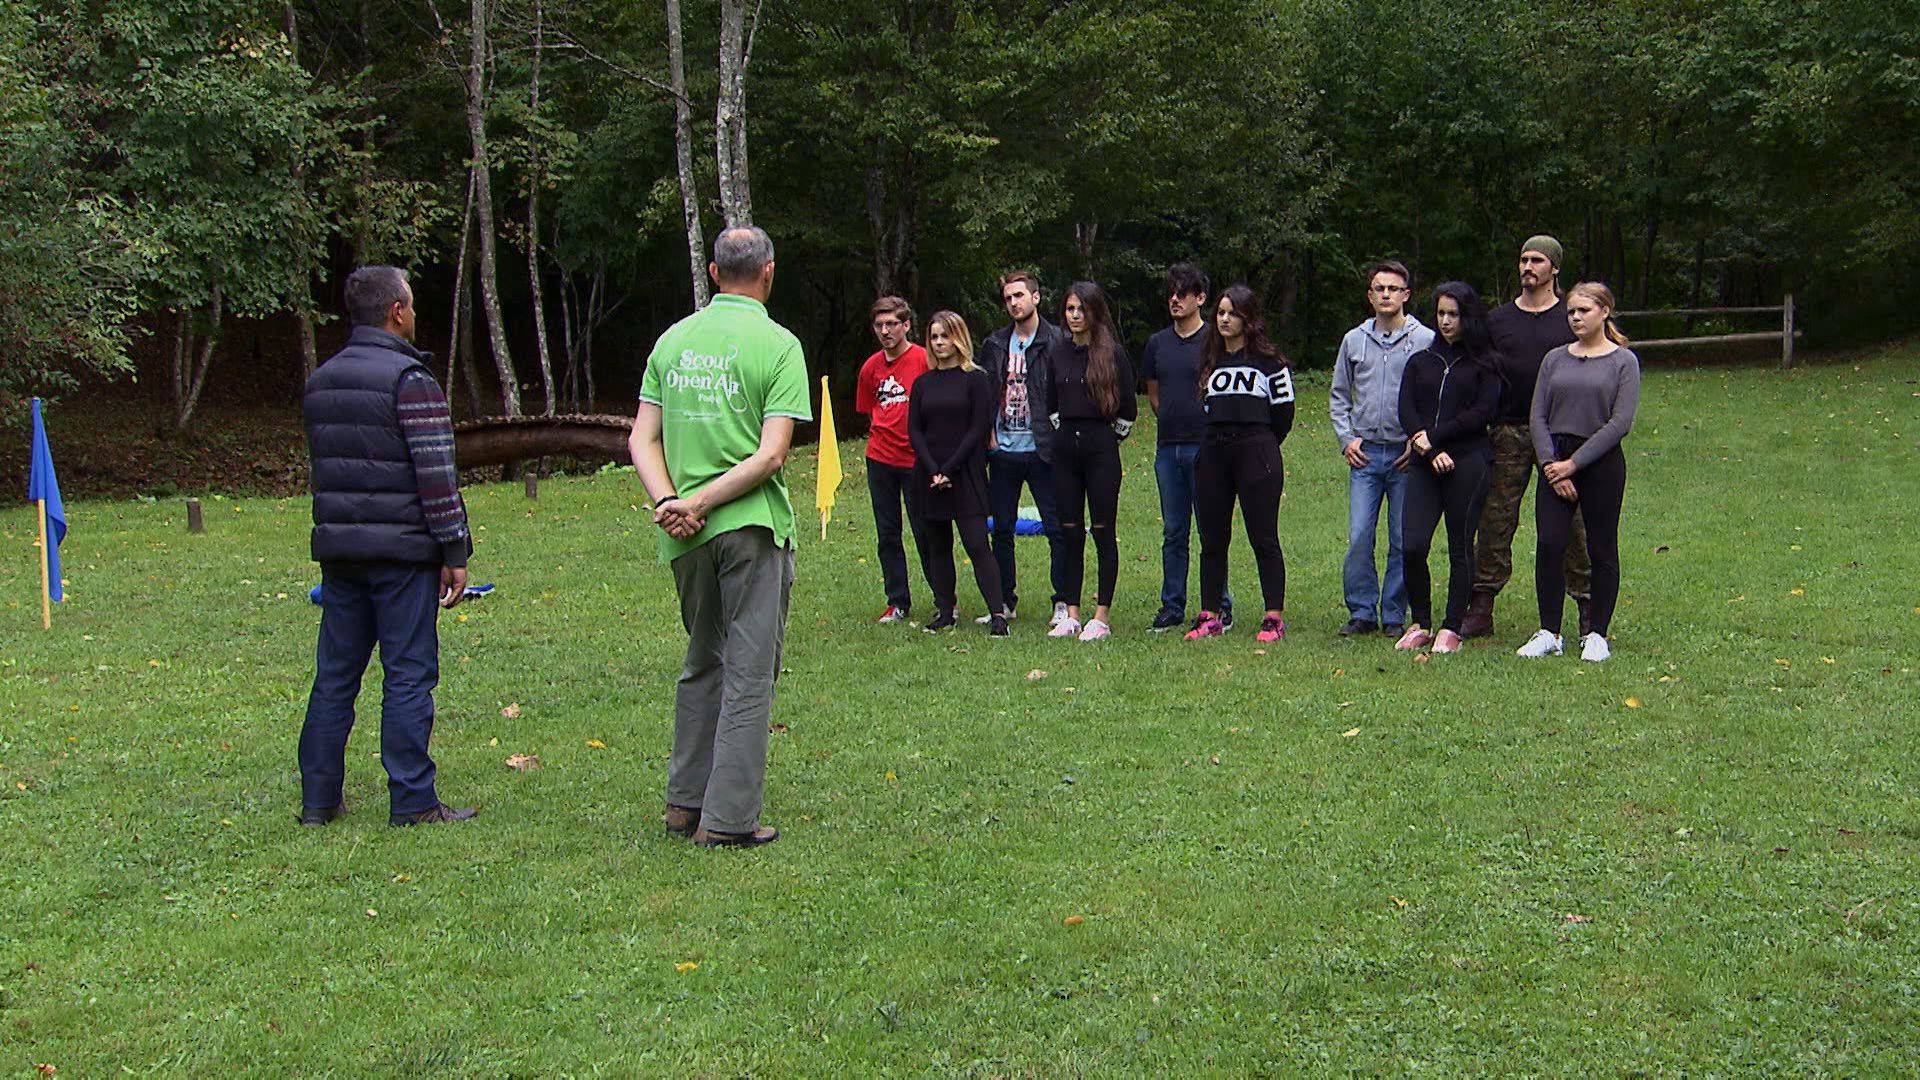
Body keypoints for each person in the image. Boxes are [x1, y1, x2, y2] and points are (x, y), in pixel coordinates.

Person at [630, 226, 811, 847]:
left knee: (702, 660)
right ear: (768, 272)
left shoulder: (673, 339)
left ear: (712, 273)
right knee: (749, 671)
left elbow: (641, 439)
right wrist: (702, 502)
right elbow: (772, 455)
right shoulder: (780, 345)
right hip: (749, 527)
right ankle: (729, 820)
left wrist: (671, 503)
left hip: (684, 534)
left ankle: (684, 804)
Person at [299, 265, 477, 828]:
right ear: (397, 311)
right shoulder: (411, 379)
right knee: (408, 673)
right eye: (413, 304)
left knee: (335, 676)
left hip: (340, 552)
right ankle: (414, 800)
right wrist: (455, 550)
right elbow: (437, 476)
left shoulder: (322, 379)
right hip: (401, 555)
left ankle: (319, 801)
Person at [1464, 235, 1593, 639]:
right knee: (1497, 516)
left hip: (1562, 435)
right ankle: (1482, 604)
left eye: (1537, 260)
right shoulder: (1497, 320)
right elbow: (1478, 371)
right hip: (1508, 430)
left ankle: (1588, 606)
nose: (1527, 267)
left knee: (1574, 521)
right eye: (1523, 259)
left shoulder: (1569, 318)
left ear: (1554, 268)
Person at [1517, 282, 1640, 662]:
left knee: (1601, 547)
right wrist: (1553, 465)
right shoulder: (1554, 358)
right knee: (1550, 543)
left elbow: (1620, 422)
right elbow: (1537, 414)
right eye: (1571, 311)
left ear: (1604, 311)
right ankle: (1549, 631)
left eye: (1583, 310)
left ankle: (1597, 633)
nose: (1575, 317)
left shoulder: (1623, 361)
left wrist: (1576, 464)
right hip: (1555, 458)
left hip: (1599, 461)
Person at [1394, 282, 1502, 653]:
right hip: (1426, 463)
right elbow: (1406, 409)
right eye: (1440, 313)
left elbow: (1480, 414)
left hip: (1468, 462)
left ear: (1467, 317)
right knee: (1413, 544)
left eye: (1453, 314)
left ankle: (1452, 625)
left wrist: (1433, 439)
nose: (1445, 321)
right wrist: (1426, 449)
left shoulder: (1485, 365)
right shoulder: (1421, 361)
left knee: (1460, 545)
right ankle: (1420, 621)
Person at [1184, 284, 1295, 643]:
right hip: (1214, 452)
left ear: (1249, 318)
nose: (1224, 319)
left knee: (1263, 536)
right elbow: (1203, 406)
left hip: (1256, 451)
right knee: (1212, 537)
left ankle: (1273, 617)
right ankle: (1210, 614)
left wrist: (1259, 444)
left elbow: (1284, 414)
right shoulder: (1209, 362)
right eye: (1220, 313)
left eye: (1232, 313)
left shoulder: (1270, 363)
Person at [1329, 260, 1433, 638]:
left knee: (1402, 538)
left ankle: (1393, 614)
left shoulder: (1425, 340)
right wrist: (1347, 438)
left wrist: (1418, 439)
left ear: (1406, 295)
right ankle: (1361, 611)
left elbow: (1434, 397)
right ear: (1369, 295)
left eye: (1393, 288)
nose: (1385, 294)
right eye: (1378, 288)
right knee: (1359, 534)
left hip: (1407, 457)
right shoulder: (1354, 340)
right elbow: (1339, 394)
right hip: (1366, 454)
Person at [976, 271, 1071, 627]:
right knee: (1001, 528)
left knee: (1055, 526)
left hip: (1044, 449)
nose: (1013, 303)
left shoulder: (1057, 340)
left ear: (1036, 297)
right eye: (1008, 298)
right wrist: (987, 433)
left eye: (1019, 295)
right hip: (1003, 450)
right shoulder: (996, 344)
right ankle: (1004, 601)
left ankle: (1062, 600)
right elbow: (984, 392)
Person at [1141, 262, 1230, 632]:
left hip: (1206, 447)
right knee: (1174, 530)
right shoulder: (1157, 343)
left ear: (1200, 298)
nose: (1174, 300)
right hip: (1168, 450)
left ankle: (1219, 606)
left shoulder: (1215, 340)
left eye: (1183, 293)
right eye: (1171, 293)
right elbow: (1154, 393)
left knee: (1211, 529)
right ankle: (1171, 605)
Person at [1046, 281, 1137, 641]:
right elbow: (1051, 402)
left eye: (1081, 309)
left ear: (1095, 312)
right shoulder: (1058, 352)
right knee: (1069, 531)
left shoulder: (1112, 353)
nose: (1074, 316)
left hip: (1101, 450)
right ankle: (1071, 612)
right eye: (1069, 309)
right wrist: (1067, 435)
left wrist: (1104, 438)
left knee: (1102, 530)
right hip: (1065, 450)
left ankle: (1101, 616)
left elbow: (1129, 408)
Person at [907, 311, 1007, 636]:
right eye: (934, 337)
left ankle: (997, 615)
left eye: (945, 336)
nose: (939, 343)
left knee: (978, 545)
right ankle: (945, 611)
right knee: (938, 546)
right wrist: (934, 470)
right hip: (930, 475)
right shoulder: (922, 383)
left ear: (959, 338)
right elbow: (915, 430)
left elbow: (979, 426)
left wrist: (950, 468)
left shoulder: (976, 379)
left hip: (965, 474)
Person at [855, 296, 932, 624]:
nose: (885, 331)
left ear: (906, 325)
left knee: (925, 530)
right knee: (888, 533)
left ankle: (946, 598)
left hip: (916, 459)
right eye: (879, 325)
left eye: (892, 324)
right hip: (880, 459)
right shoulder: (870, 368)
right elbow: (867, 411)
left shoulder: (923, 360)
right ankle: (897, 602)